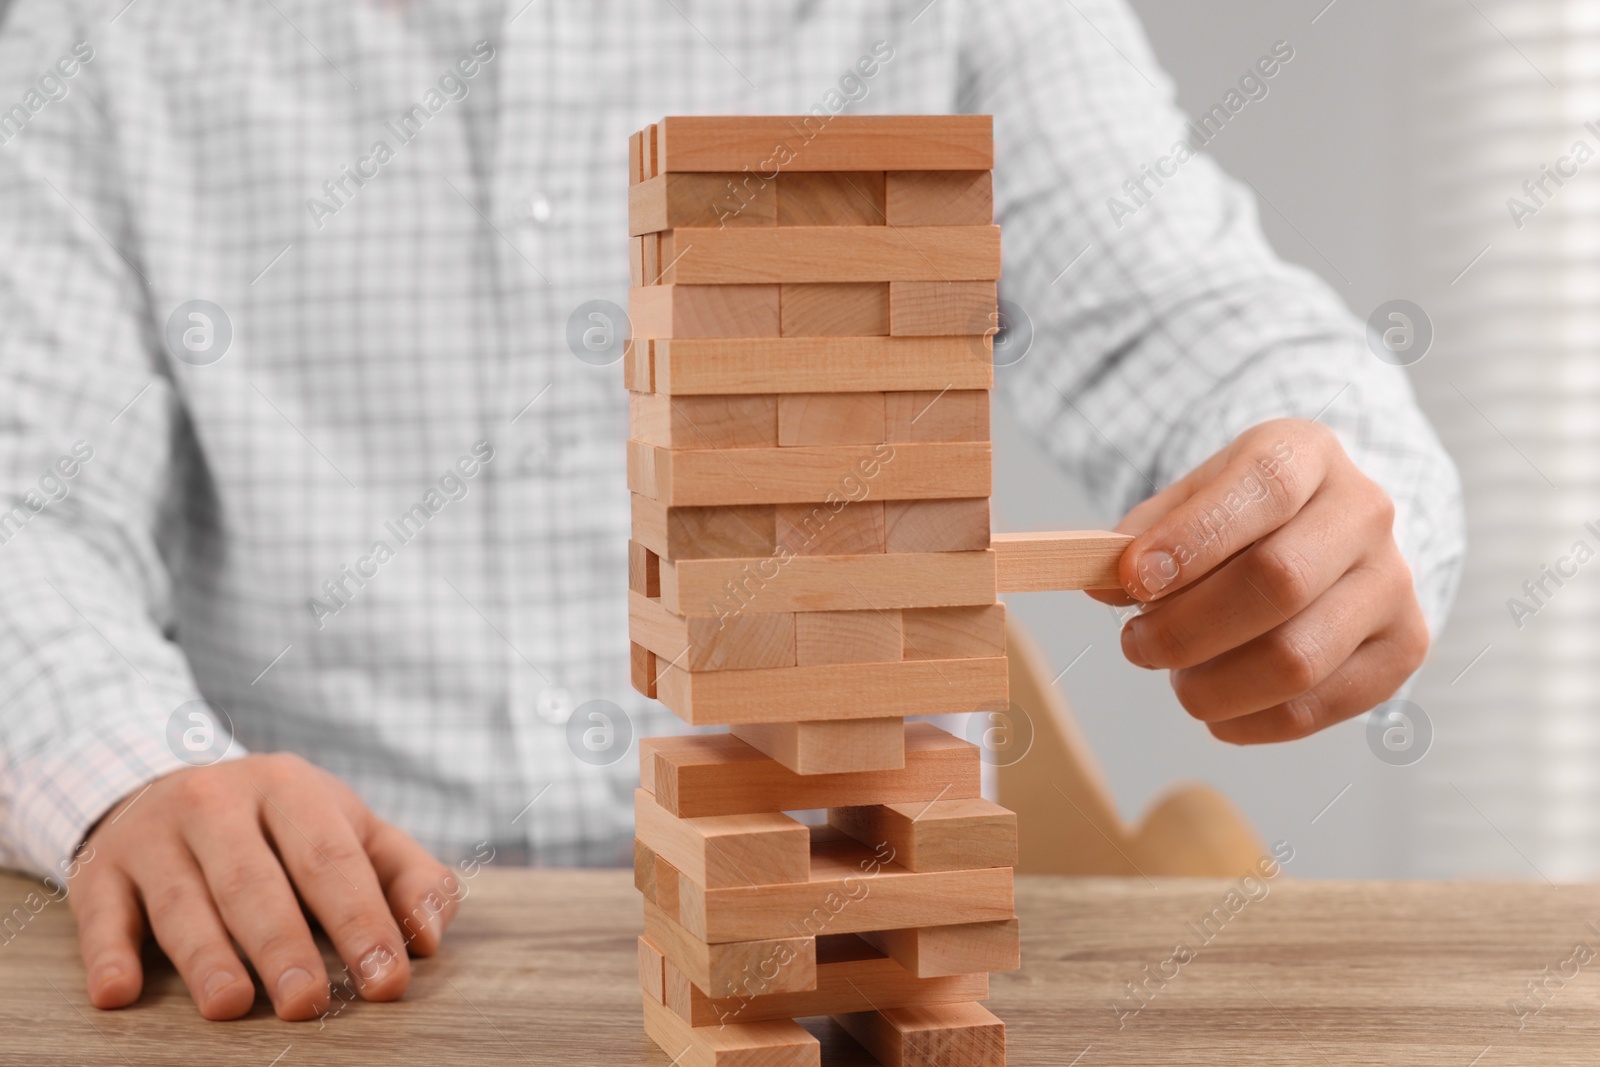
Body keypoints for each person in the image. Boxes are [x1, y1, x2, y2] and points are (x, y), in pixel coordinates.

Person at [0, 0, 1462, 1023]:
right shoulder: (98, 33)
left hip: (847, 939)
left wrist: (1329, 498)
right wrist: (132, 772)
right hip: (339, 963)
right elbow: (27, 504)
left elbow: (1203, 325)